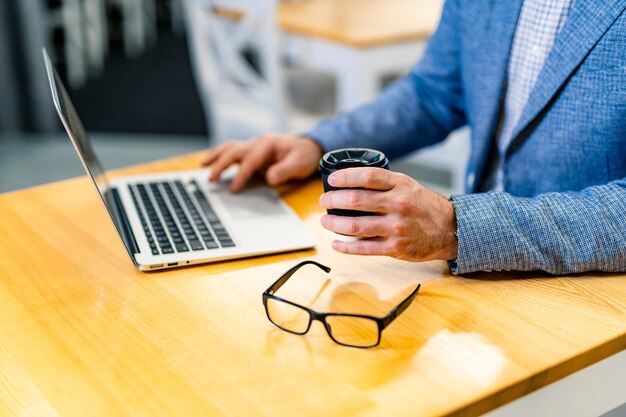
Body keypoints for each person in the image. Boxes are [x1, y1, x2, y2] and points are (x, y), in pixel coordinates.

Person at [201, 0, 626, 275]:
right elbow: (433, 93)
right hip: (481, 277)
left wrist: (458, 227)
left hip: (591, 287)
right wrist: (316, 143)